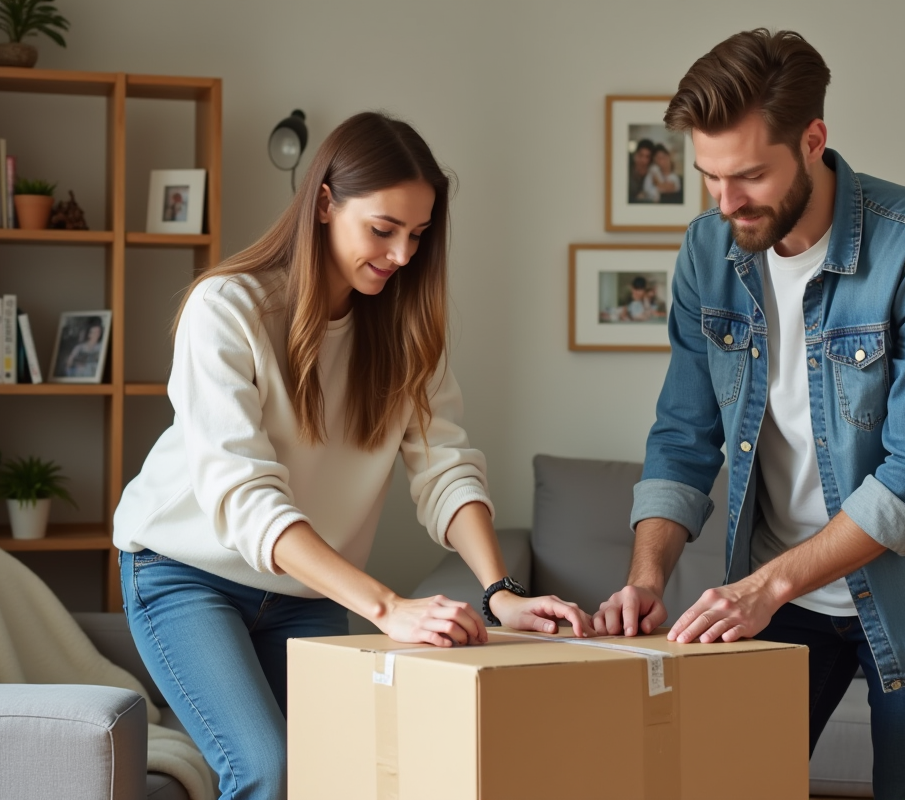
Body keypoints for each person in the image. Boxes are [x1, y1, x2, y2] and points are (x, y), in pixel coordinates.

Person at [114, 112, 592, 800]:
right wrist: (386, 606)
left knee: (338, 772)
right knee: (266, 768)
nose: (402, 256)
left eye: (417, 236)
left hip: (303, 593)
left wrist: (499, 593)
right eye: (383, 230)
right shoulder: (226, 309)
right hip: (185, 575)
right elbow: (245, 498)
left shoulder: (403, 331)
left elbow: (445, 467)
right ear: (326, 201)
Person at [594, 29, 905, 800]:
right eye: (709, 178)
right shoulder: (705, 253)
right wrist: (646, 574)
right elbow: (685, 434)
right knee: (731, 783)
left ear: (813, 140)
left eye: (749, 176)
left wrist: (766, 587)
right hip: (776, 590)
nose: (726, 205)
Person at [628, 138, 655, 203]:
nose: (643, 160)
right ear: (635, 155)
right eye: (640, 155)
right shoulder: (626, 172)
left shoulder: (652, 174)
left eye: (647, 157)